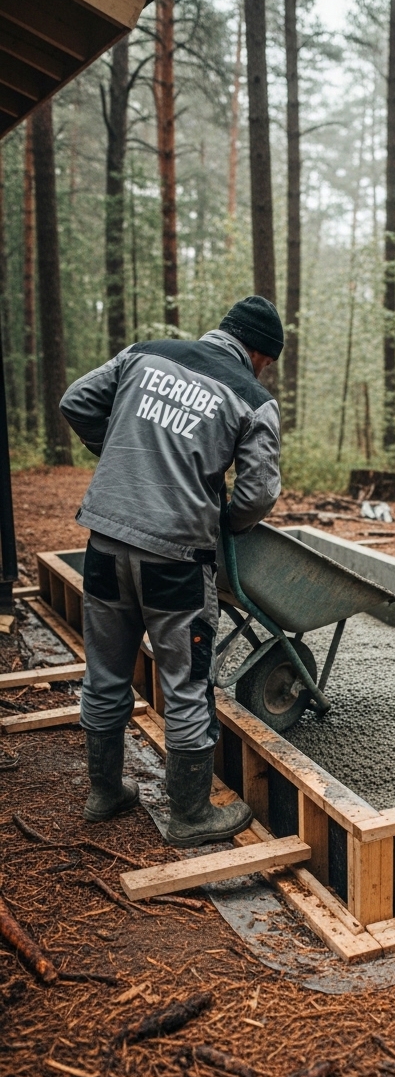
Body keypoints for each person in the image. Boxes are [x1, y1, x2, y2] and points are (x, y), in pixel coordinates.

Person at [59, 297, 283, 848]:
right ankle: (189, 815)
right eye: (267, 362)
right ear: (259, 353)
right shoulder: (254, 398)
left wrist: (120, 451)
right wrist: (222, 517)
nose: (264, 371)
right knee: (186, 684)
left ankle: (104, 792)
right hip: (177, 562)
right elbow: (258, 495)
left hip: (105, 544)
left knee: (106, 671)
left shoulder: (146, 353)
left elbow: (76, 401)